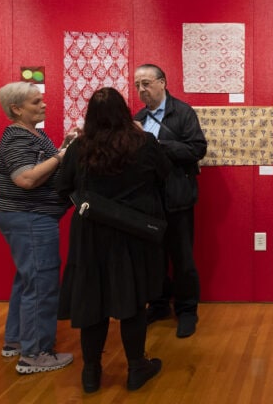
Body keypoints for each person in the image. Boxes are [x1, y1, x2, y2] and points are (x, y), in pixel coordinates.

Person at [56, 87, 172, 393]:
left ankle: (91, 374)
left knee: (92, 301)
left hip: (90, 233)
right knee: (132, 300)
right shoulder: (143, 143)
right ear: (124, 111)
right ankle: (136, 368)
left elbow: (62, 186)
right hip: (132, 233)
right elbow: (164, 175)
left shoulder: (80, 147)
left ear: (90, 116)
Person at [0, 81, 74, 374]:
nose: (44, 105)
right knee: (40, 283)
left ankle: (15, 341)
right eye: (36, 102)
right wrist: (60, 156)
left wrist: (64, 146)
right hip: (29, 217)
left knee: (28, 280)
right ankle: (35, 354)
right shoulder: (17, 138)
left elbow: (46, 165)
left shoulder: (32, 134)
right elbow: (25, 179)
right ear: (16, 109)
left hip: (27, 217)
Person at [133, 64, 208, 338]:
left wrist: (156, 144)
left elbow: (197, 149)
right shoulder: (138, 118)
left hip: (178, 199)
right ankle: (160, 304)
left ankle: (187, 311)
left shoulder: (182, 113)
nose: (142, 90)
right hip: (149, 201)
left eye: (146, 83)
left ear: (162, 82)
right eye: (137, 85)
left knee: (183, 259)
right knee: (153, 259)